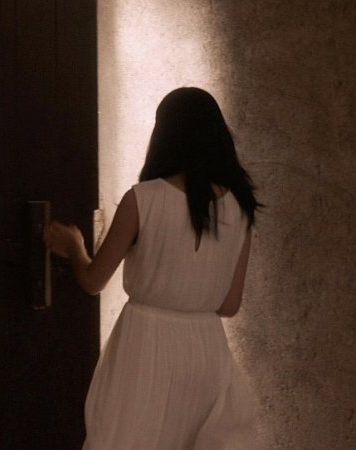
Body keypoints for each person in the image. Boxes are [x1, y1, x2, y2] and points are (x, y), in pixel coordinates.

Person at [44, 87, 262, 449]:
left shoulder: (142, 199)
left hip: (146, 346)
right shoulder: (241, 209)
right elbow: (229, 305)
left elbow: (93, 280)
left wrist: (74, 247)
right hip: (206, 352)